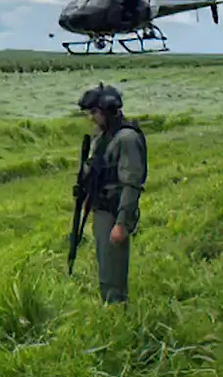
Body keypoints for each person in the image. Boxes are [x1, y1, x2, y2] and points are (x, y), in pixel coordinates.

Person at [77, 83, 148, 304]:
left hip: (114, 210)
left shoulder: (126, 138)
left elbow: (131, 183)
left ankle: (117, 311)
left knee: (113, 269)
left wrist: (122, 223)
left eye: (95, 112)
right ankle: (110, 305)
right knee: (105, 264)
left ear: (107, 110)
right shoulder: (103, 137)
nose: (92, 118)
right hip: (101, 207)